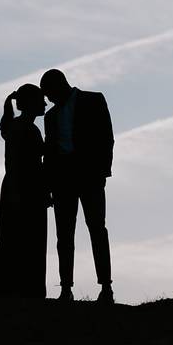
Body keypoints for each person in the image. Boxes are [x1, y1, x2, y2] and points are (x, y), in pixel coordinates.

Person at [40, 69, 115, 304]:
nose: (49, 99)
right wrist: (48, 187)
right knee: (64, 235)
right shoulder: (50, 117)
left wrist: (102, 171)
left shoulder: (93, 100)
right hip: (62, 180)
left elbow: (107, 137)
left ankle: (106, 287)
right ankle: (66, 289)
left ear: (59, 86)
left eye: (49, 93)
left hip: (90, 176)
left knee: (97, 229)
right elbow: (49, 154)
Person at [0, 84, 49, 299]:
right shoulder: (26, 129)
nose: (45, 104)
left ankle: (8, 288)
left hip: (18, 186)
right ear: (31, 104)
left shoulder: (16, 127)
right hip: (25, 187)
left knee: (13, 238)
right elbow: (26, 163)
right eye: (41, 100)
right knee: (27, 239)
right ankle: (26, 290)